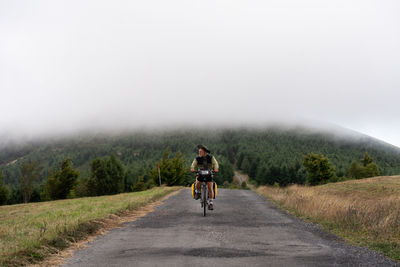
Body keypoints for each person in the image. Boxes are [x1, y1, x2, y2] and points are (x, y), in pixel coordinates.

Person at [190, 144, 219, 210]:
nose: (199, 153)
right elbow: (193, 164)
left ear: (205, 152)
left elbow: (215, 163)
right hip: (200, 173)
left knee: (210, 187)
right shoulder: (197, 158)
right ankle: (198, 192)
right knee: (197, 183)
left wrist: (216, 168)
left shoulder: (211, 157)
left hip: (209, 173)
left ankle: (211, 203)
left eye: (200, 152)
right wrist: (192, 168)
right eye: (199, 151)